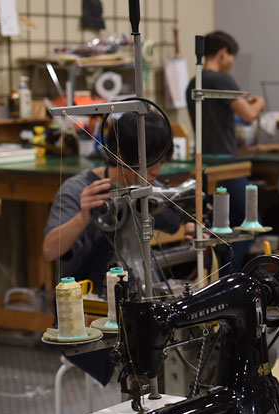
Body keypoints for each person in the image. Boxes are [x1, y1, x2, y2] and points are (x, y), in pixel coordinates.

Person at [42, 113, 194, 289]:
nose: (157, 172)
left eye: (161, 162)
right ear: (120, 156)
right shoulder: (78, 190)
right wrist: (82, 218)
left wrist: (190, 231)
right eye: (148, 163)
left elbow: (176, 222)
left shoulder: (148, 187)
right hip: (86, 302)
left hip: (135, 295)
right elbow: (50, 250)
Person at [186, 31, 265, 272]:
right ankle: (229, 276)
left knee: (218, 227)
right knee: (251, 223)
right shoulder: (222, 80)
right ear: (223, 53)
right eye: (231, 57)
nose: (231, 63)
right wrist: (259, 101)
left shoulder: (194, 82)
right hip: (227, 166)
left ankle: (219, 275)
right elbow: (249, 115)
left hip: (205, 166)